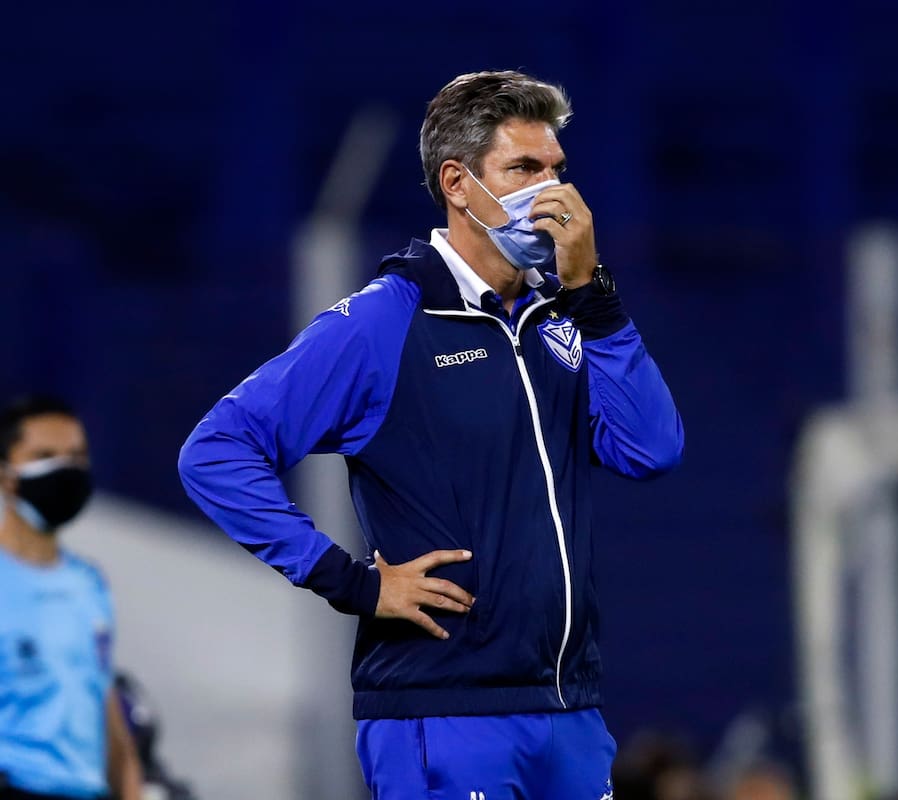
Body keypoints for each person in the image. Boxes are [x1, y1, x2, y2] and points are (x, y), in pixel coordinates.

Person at [178, 70, 684, 798]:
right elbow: (216, 451)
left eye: (557, 171)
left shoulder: (562, 319)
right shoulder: (387, 321)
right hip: (444, 714)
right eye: (524, 169)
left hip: (569, 711)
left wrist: (594, 298)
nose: (554, 193)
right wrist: (349, 582)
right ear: (458, 183)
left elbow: (651, 450)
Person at [0, 395, 142, 800]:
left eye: (76, 455)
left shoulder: (88, 583)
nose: (66, 469)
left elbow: (103, 704)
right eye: (45, 455)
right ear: (6, 475)